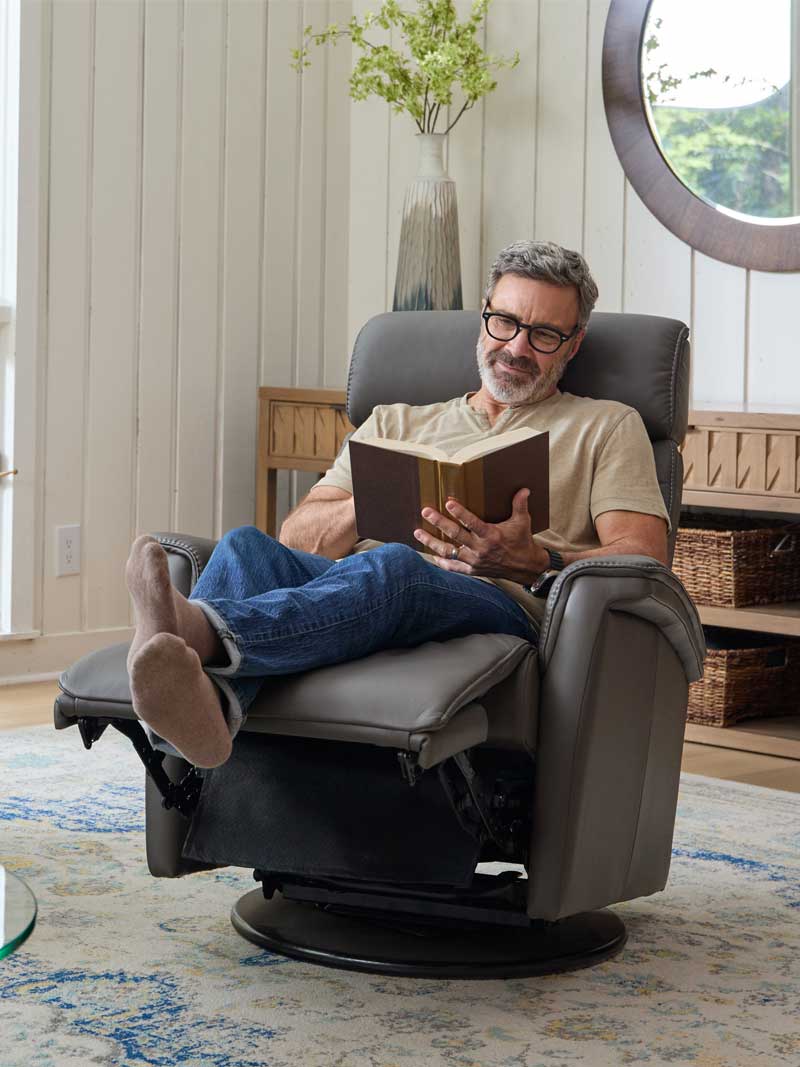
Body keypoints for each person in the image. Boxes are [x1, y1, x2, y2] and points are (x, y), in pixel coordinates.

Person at [125, 240, 670, 769]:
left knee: (396, 566)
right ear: (484, 316)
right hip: (359, 585)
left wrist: (537, 561)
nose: (517, 348)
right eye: (505, 322)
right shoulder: (393, 422)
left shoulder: (607, 426)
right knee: (246, 547)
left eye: (544, 335)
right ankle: (205, 712)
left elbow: (645, 558)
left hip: (499, 601)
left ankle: (193, 629)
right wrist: (377, 497)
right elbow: (298, 539)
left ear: (574, 344)